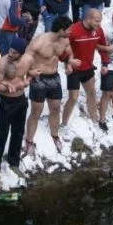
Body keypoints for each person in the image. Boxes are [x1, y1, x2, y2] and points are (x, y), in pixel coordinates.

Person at [24, 16, 78, 155]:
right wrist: (30, 72)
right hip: (39, 79)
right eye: (69, 29)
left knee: (55, 108)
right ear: (61, 30)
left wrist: (68, 64)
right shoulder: (39, 42)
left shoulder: (65, 40)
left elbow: (69, 52)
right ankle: (30, 141)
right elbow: (24, 60)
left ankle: (55, 136)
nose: (71, 31)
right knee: (36, 111)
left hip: (54, 78)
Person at [0, 37, 32, 185]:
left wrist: (27, 81)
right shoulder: (3, 63)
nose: (11, 53)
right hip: (6, 102)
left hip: (21, 100)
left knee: (18, 132)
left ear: (21, 53)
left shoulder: (26, 60)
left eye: (14, 52)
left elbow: (31, 73)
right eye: (10, 50)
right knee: (2, 134)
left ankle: (14, 162)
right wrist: (8, 86)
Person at [62, 9, 110, 128]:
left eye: (100, 21)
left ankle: (93, 118)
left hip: (88, 67)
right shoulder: (73, 29)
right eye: (97, 21)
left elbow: (103, 47)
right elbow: (62, 49)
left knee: (92, 93)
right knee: (73, 98)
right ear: (88, 19)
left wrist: (105, 64)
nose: (99, 24)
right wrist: (68, 62)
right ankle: (63, 123)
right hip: (74, 69)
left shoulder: (98, 30)